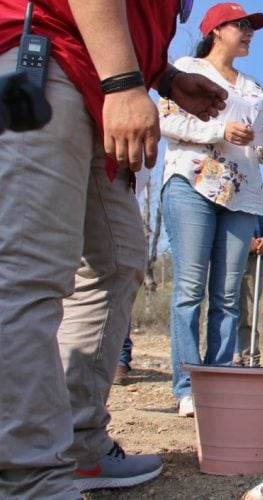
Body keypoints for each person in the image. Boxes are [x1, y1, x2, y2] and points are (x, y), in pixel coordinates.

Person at [0, 0, 227, 496]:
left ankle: (77, 445)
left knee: (119, 256)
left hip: (95, 78)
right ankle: (23, 475)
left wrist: (163, 78)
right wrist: (124, 84)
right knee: (26, 269)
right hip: (47, 57)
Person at [160, 2, 263, 418]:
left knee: (228, 296)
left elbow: (261, 156)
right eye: (241, 26)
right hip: (192, 184)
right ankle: (187, 387)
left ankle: (217, 382)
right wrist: (218, 129)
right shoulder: (186, 69)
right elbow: (166, 121)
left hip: (242, 194)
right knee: (190, 290)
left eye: (252, 27)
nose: (249, 32)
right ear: (215, 30)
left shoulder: (254, 87)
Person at [235, 181, 263, 365]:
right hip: (226, 251)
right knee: (221, 303)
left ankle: (249, 357)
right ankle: (216, 357)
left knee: (250, 308)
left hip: (255, 258)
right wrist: (244, 237)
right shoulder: (225, 178)